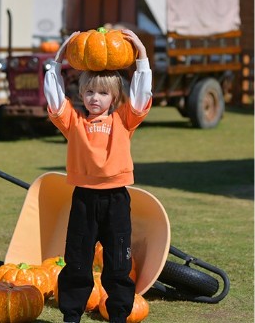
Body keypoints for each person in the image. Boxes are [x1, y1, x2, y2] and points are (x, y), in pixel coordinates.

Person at [43, 29, 152, 323]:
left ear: (114, 97)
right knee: (77, 259)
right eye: (90, 92)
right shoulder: (73, 123)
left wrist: (141, 56)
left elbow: (141, 97)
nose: (95, 98)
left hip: (116, 198)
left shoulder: (124, 120)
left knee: (118, 261)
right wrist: (57, 59)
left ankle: (118, 314)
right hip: (84, 199)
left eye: (103, 93)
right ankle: (71, 315)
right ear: (81, 94)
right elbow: (54, 99)